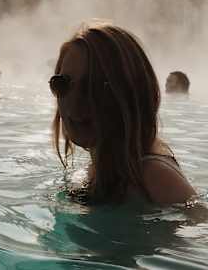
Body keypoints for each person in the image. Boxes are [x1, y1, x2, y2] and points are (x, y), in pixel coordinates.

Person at [49, 22, 196, 205]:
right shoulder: (96, 172)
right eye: (62, 84)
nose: (74, 100)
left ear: (129, 93)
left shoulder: (154, 176)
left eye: (93, 86)